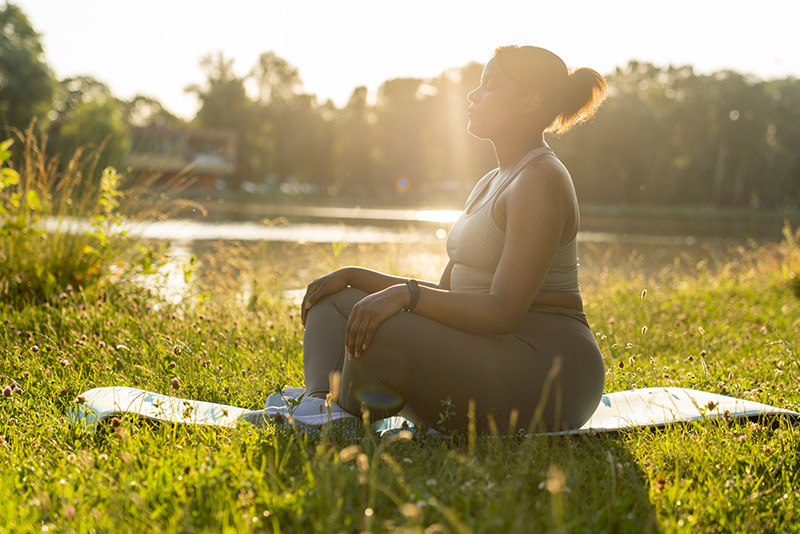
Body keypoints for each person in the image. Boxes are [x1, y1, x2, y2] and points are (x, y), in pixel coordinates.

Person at [294, 45, 607, 433]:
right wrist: (355, 276)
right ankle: (320, 406)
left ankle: (334, 414)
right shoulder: (491, 181)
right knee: (336, 301)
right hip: (490, 352)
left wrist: (404, 295)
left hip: (549, 370)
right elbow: (444, 294)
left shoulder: (540, 179)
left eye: (490, 85)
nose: (473, 96)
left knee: (385, 330)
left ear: (531, 101)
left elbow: (502, 312)